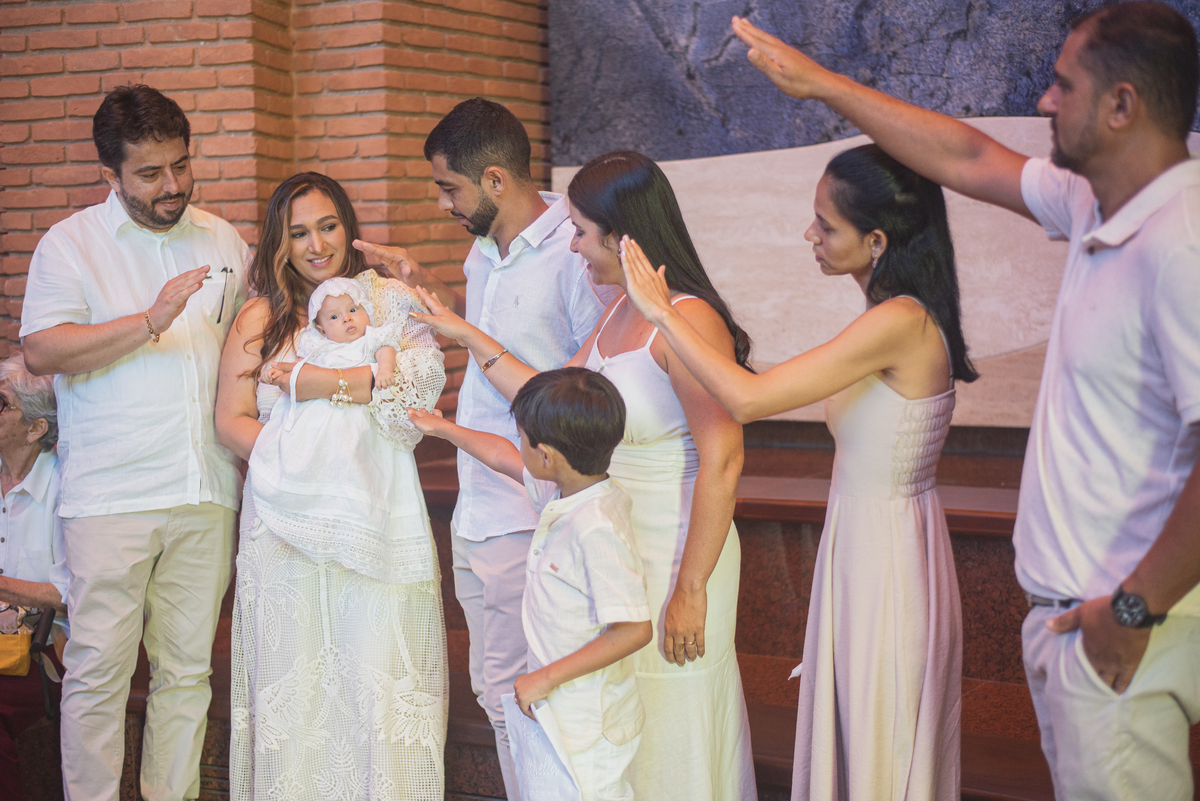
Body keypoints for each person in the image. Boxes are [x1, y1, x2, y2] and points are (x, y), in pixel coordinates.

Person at [728, 5, 1200, 799]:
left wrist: (1131, 609)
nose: (1045, 102)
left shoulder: (1180, 241)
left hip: (1124, 623)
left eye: (1062, 84)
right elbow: (966, 155)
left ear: (1122, 106)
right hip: (1073, 616)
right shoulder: (1095, 203)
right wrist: (823, 86)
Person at [621, 140, 975, 800]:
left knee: (881, 747)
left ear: (875, 240)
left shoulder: (899, 320)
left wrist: (663, 312)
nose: (808, 233)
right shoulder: (892, 314)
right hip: (877, 543)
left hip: (887, 560)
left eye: (826, 223)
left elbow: (749, 398)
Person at [412, 150, 758, 800]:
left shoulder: (690, 318)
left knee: (675, 714)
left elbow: (725, 456)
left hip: (681, 544)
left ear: (622, 234)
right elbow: (549, 400)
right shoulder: (616, 312)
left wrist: (691, 585)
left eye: (580, 231)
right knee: (629, 713)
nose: (572, 247)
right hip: (617, 540)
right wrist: (466, 335)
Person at [352, 97, 613, 800]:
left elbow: (588, 390)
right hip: (477, 493)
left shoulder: (573, 252)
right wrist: (424, 290)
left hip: (529, 506)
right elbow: (489, 341)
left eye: (449, 188)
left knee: (522, 695)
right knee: (494, 688)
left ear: (495, 179)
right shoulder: (484, 245)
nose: (442, 204)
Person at [19, 84, 249, 801]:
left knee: (186, 672)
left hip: (204, 488)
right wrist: (150, 319)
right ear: (110, 176)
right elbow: (44, 349)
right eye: (150, 174)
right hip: (111, 495)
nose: (173, 185)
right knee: (97, 672)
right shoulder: (71, 244)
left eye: (180, 165)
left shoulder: (221, 238)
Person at [215, 173, 447, 801]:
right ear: (278, 243)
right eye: (297, 233)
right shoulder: (261, 314)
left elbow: (411, 404)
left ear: (348, 226)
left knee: (374, 680)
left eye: (327, 226)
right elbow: (228, 419)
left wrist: (311, 382)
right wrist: (301, 463)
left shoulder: (391, 303)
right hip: (282, 525)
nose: (316, 245)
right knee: (297, 689)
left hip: (375, 518)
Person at [410, 368, 652, 801]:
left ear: (546, 455)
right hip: (557, 711)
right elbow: (502, 455)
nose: (516, 444)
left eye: (522, 436)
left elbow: (634, 629)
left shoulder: (596, 526)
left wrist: (544, 678)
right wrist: (445, 429)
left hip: (586, 722)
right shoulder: (565, 491)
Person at [248, 274, 444, 582]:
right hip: (318, 421)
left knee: (354, 461)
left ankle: (355, 525)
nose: (347, 319)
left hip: (354, 422)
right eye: (335, 317)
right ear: (321, 327)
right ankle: (290, 511)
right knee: (308, 455)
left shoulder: (373, 338)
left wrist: (385, 371)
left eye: (354, 310)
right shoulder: (320, 348)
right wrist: (277, 370)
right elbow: (301, 369)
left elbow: (386, 352)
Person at [0, 353, 68, 801]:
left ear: (35, 427)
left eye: (1, 403)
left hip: (42, 653)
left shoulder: (66, 487)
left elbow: (73, 594)